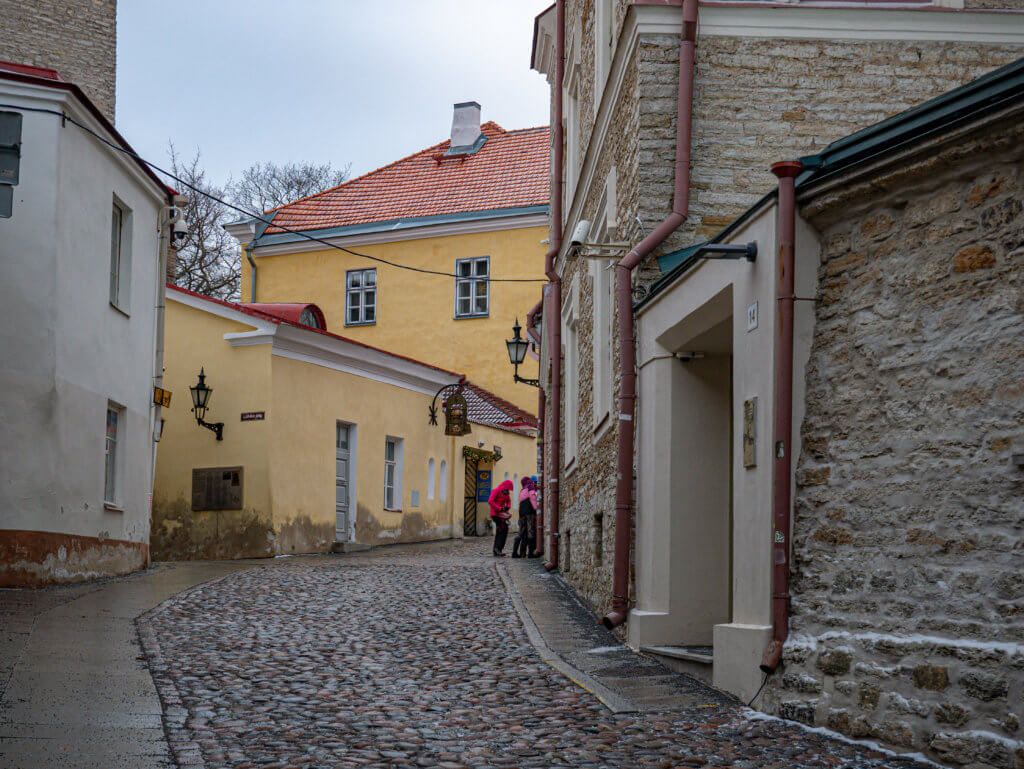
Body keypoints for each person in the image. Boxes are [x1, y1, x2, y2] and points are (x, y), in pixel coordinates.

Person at [512, 476, 539, 558]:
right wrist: (536, 509)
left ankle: (517, 553)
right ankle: (530, 553)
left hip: (522, 513)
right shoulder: (530, 488)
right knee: (530, 531)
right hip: (529, 512)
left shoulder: (522, 490)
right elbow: (533, 498)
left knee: (521, 532)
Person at [488, 479, 513, 556]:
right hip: (495, 514)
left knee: (503, 531)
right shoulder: (496, 490)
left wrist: (507, 507)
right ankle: (497, 549)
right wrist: (499, 508)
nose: (508, 490)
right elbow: (490, 501)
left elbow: (509, 501)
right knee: (501, 530)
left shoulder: (506, 492)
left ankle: (498, 549)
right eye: (507, 488)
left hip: (502, 514)